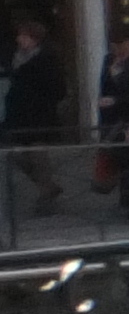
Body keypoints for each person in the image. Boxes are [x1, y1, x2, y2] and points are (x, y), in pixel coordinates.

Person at [5, 16, 71, 211]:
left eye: (23, 36)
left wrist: (41, 101)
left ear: (34, 39)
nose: (19, 40)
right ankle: (49, 187)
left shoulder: (46, 59)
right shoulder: (17, 57)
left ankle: (45, 196)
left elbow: (58, 88)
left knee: (37, 155)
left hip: (39, 115)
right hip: (19, 117)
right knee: (16, 155)